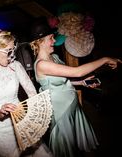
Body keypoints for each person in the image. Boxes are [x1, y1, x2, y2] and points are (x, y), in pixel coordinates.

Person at [22, 17, 122, 157]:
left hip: (72, 107)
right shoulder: (41, 64)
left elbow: (60, 81)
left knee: (76, 147)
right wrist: (105, 59)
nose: (54, 41)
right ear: (40, 42)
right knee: (66, 150)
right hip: (61, 113)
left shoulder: (54, 57)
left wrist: (80, 83)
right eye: (51, 38)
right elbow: (78, 71)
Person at [0, 28, 53, 157]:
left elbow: (32, 93)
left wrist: (29, 112)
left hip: (22, 122)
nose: (11, 55)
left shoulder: (16, 66)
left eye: (13, 50)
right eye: (8, 51)